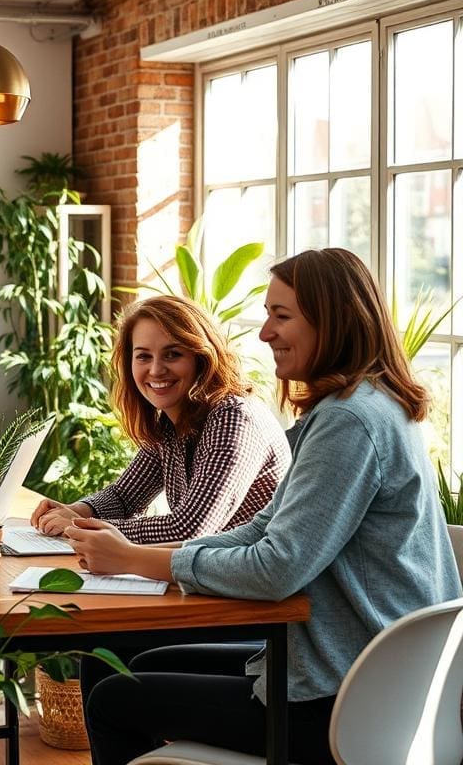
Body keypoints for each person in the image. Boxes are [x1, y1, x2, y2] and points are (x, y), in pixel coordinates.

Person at [74, 248, 463, 765]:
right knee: (125, 660)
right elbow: (266, 526)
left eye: (281, 316)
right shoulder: (363, 406)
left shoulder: (350, 422)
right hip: (368, 675)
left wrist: (135, 559)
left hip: (346, 698)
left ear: (333, 321)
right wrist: (133, 553)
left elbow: (277, 568)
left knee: (112, 696)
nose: (264, 333)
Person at [32, 294, 291, 547]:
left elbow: (191, 529)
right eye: (144, 356)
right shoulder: (171, 419)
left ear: (201, 358)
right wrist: (77, 509)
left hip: (250, 584)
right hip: (211, 579)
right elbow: (125, 497)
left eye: (172, 354)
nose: (156, 370)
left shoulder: (234, 418)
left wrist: (78, 525)